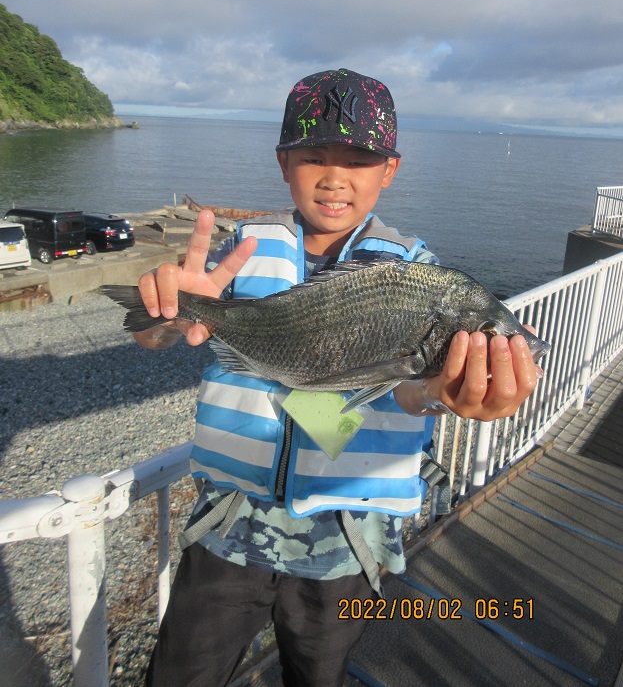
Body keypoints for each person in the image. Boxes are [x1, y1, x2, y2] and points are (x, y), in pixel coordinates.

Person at [137, 68, 539, 687]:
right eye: (313, 157)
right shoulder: (243, 251)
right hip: (228, 525)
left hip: (346, 542)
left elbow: (408, 391)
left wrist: (445, 394)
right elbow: (155, 334)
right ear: (283, 163)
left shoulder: (417, 272)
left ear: (390, 170)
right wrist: (169, 311)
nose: (334, 178)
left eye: (358, 161)